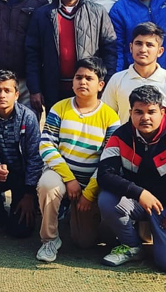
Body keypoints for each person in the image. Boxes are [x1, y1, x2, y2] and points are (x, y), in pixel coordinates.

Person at [97, 85, 166, 272]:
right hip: (138, 201)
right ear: (130, 113)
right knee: (107, 199)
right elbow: (104, 175)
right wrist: (139, 192)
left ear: (162, 111)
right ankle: (132, 246)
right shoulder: (120, 136)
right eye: (139, 112)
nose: (145, 117)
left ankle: (163, 237)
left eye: (151, 111)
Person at [36, 57, 120, 262]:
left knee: (84, 242)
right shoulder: (60, 108)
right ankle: (49, 240)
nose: (83, 82)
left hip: (91, 182)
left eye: (89, 78)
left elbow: (108, 161)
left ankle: (72, 216)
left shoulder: (111, 117)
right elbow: (46, 145)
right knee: (48, 184)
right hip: (61, 176)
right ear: (72, 82)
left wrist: (89, 193)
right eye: (78, 77)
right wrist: (69, 179)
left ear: (100, 85)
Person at [25, 0, 116, 116]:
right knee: (57, 133)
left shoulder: (98, 13)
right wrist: (35, 89)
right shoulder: (42, 15)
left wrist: (105, 83)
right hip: (54, 89)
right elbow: (32, 54)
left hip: (87, 87)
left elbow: (110, 51)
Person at [0, 70, 43, 240]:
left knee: (20, 232)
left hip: (23, 176)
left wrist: (29, 194)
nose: (2, 95)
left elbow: (35, 157)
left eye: (7, 90)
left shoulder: (29, 117)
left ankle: (29, 206)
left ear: (16, 94)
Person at [102, 22, 166, 135]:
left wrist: (162, 133)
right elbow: (104, 118)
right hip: (127, 148)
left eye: (149, 45)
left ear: (160, 51)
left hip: (163, 149)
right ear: (131, 47)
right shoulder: (117, 80)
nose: (143, 49)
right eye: (138, 43)